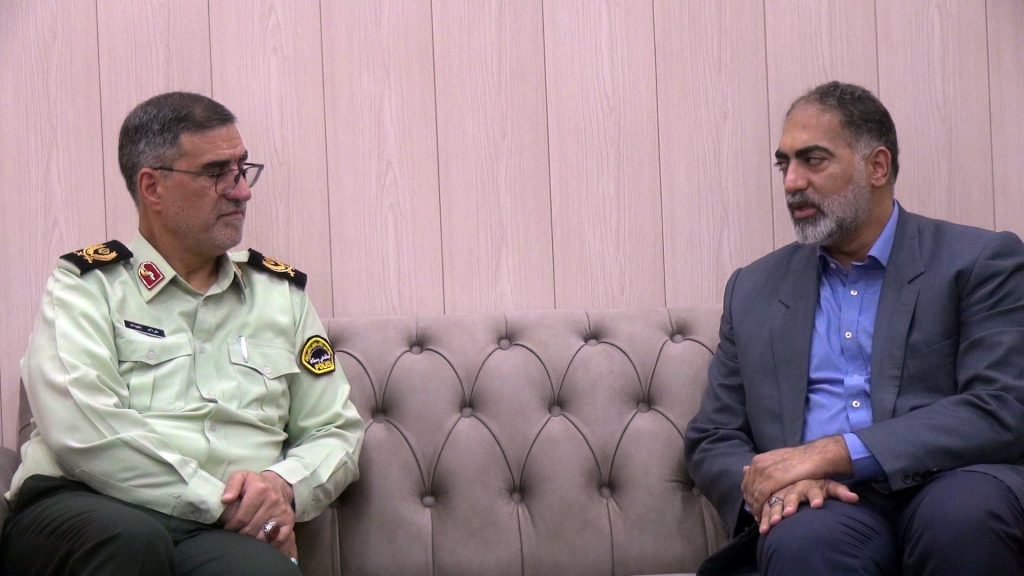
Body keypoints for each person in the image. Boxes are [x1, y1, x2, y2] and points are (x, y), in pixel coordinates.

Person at [0, 92, 364, 575]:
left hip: (213, 530)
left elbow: (334, 429)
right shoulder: (87, 287)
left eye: (242, 169)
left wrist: (280, 487)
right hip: (86, 505)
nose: (241, 191)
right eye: (217, 174)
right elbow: (82, 429)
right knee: (131, 541)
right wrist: (222, 501)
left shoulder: (281, 297)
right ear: (152, 186)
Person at [685, 81, 1024, 575]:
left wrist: (832, 452)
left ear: (877, 166)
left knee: (964, 519)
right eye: (784, 164)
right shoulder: (753, 288)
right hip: (823, 505)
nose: (791, 182)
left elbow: (1002, 405)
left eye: (813, 160)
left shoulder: (978, 261)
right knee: (803, 540)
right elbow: (714, 434)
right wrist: (775, 488)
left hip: (952, 480)